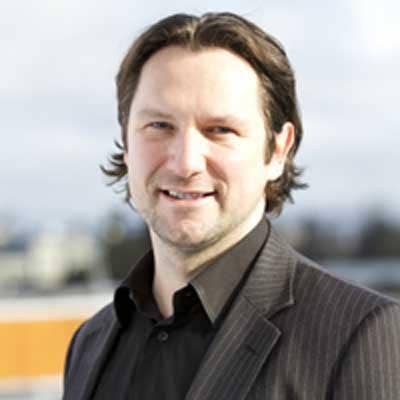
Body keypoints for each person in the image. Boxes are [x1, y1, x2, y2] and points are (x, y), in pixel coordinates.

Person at [62, 12, 400, 400]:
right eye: (159, 126)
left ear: (278, 150)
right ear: (126, 140)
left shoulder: (358, 336)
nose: (185, 162)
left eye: (220, 130)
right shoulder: (90, 344)